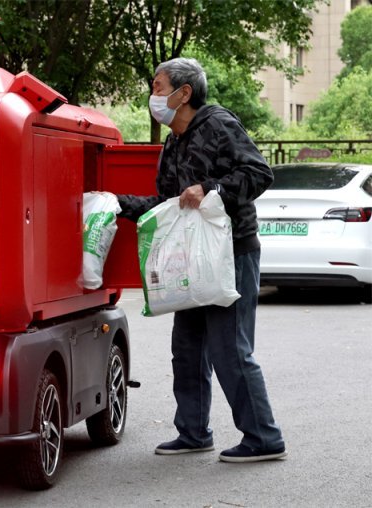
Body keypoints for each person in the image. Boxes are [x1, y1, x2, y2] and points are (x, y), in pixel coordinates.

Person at [117, 57, 286, 463]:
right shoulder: (172, 141)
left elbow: (259, 173)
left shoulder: (218, 124)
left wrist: (211, 189)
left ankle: (264, 438)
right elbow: (168, 204)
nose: (152, 95)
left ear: (184, 92)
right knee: (188, 348)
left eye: (158, 87)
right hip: (189, 261)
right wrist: (115, 204)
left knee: (230, 348)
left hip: (232, 253)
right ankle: (193, 432)